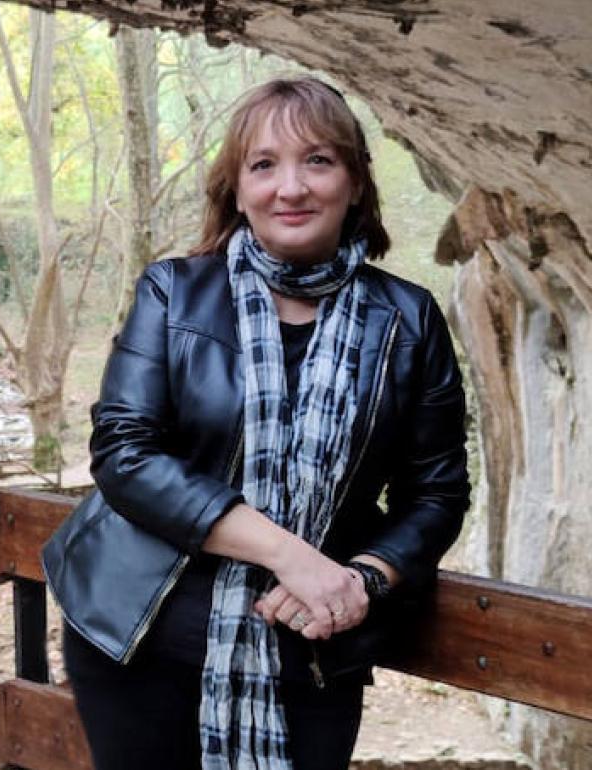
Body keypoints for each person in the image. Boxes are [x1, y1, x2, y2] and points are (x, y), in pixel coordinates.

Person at [41, 76, 470, 770]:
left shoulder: (408, 320)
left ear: (356, 183)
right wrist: (290, 555)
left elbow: (437, 493)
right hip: (138, 640)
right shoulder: (174, 291)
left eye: (318, 160)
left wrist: (362, 579)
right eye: (264, 165)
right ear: (236, 191)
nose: (290, 188)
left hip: (314, 653)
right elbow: (125, 453)